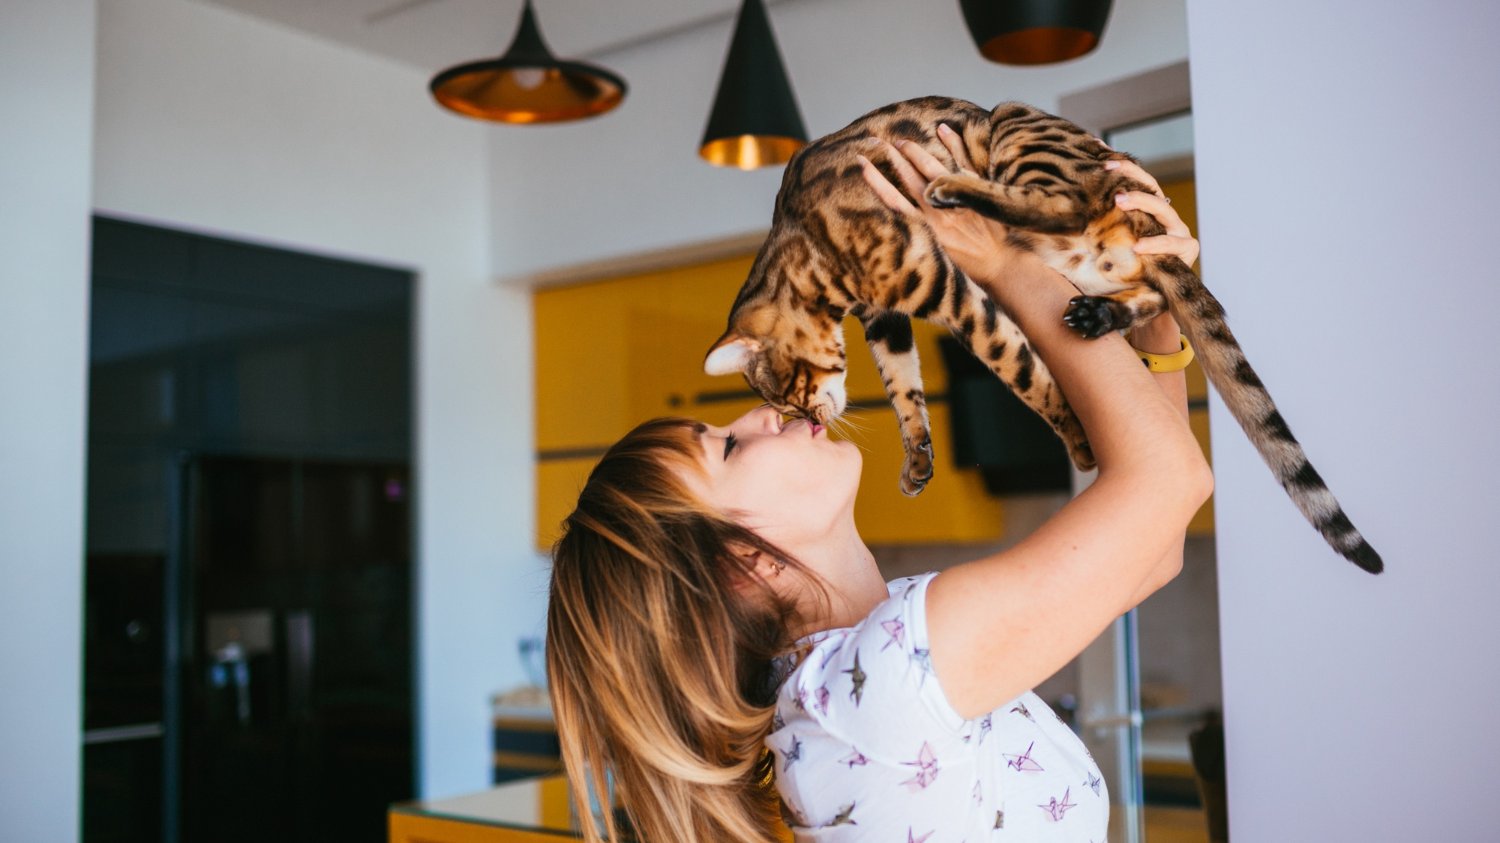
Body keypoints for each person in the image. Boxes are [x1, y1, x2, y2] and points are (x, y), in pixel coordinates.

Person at [545, 133, 1212, 842]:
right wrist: (999, 259)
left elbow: (1155, 547)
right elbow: (1167, 484)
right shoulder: (883, 681)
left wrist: (1154, 324)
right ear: (745, 563)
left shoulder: (862, 668)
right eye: (729, 446)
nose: (761, 410)